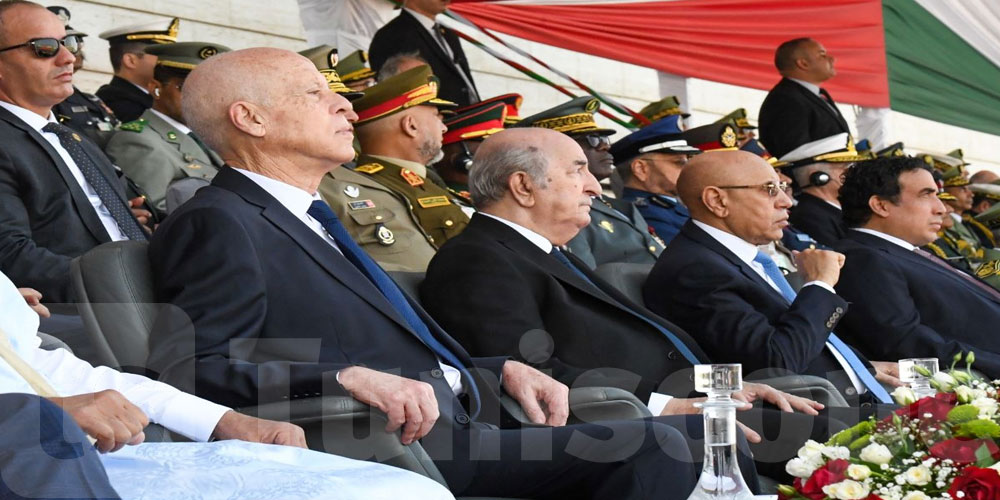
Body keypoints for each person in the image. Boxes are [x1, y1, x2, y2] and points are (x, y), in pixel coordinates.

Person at [147, 46, 752, 500]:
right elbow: (199, 366)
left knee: (707, 433)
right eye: (313, 93)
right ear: (250, 118)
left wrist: (494, 368)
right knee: (662, 441)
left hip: (462, 419)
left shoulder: (309, 215)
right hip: (388, 449)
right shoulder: (220, 219)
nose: (343, 104)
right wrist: (346, 377)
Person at [420, 127, 854, 480]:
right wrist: (670, 407)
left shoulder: (544, 252)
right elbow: (528, 379)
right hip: (628, 424)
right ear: (523, 187)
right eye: (577, 172)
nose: (595, 186)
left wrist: (718, 387)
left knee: (874, 429)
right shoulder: (478, 258)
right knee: (857, 438)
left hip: (686, 406)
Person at [0, 270, 454, 500]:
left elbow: (50, 368)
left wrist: (225, 420)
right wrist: (44, 411)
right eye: (314, 95)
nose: (345, 110)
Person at [643, 150, 897, 406]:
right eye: (769, 190)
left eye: (783, 187)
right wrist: (819, 284)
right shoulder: (696, 270)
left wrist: (859, 367)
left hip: (848, 393)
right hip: (811, 419)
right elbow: (777, 365)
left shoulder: (731, 258)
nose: (787, 201)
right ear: (717, 201)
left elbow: (793, 340)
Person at [0, 2, 151, 304]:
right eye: (44, 47)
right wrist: (130, 284)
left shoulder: (72, 137)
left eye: (67, 43)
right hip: (87, 312)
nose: (69, 57)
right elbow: (10, 253)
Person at [833, 156, 1000, 380]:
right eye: (926, 195)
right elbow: (908, 344)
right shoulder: (863, 258)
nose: (941, 208)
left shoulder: (904, 251)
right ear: (881, 205)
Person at [513, 97, 664, 268]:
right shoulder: (560, 210)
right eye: (593, 139)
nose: (605, 147)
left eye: (605, 140)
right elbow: (586, 283)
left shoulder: (619, 207)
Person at [350, 66, 470, 246]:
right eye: (437, 116)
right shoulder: (373, 188)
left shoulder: (425, 181)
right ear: (411, 126)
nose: (444, 128)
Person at [104, 42, 227, 214]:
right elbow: (156, 215)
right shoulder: (137, 141)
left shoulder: (209, 137)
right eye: (187, 88)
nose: (203, 99)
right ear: (156, 88)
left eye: (212, 90)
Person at [369, 0, 479, 106]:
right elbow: (394, 91)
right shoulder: (392, 35)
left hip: (470, 113)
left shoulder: (448, 33)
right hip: (439, 120)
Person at [613, 115, 702, 245]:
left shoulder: (670, 207)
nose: (687, 169)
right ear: (641, 169)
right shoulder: (642, 214)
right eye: (678, 162)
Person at [758, 38, 849, 159]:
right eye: (822, 55)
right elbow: (793, 154)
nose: (832, 59)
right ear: (803, 63)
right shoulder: (786, 99)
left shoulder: (814, 94)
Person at [48, 6, 120, 148]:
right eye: (58, 45)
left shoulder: (90, 99)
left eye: (74, 44)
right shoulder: (42, 99)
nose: (71, 54)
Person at [781, 133, 870, 247]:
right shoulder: (810, 216)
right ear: (819, 177)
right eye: (845, 168)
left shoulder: (841, 208)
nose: (852, 173)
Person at [96, 17, 178, 122]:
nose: (168, 62)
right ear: (130, 60)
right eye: (160, 56)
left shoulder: (142, 100)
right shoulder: (122, 105)